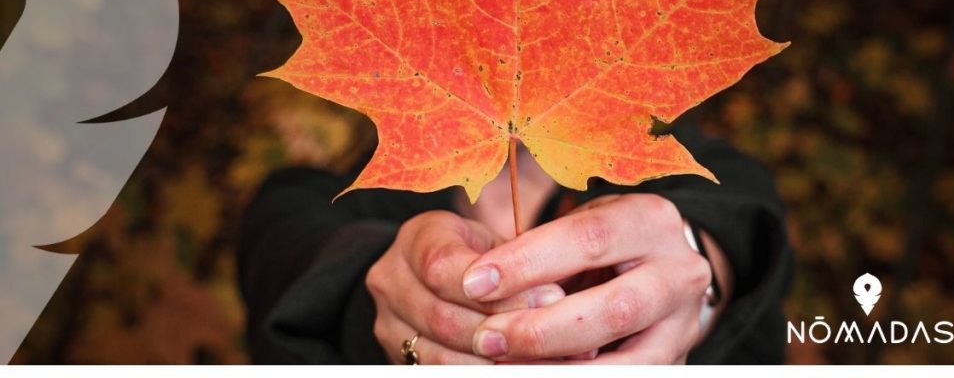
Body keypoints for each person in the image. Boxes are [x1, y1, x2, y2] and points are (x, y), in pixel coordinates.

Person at [237, 122, 792, 364]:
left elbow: (739, 226)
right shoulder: (329, 198)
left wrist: (691, 279)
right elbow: (289, 255)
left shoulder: (691, 168)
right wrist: (383, 299)